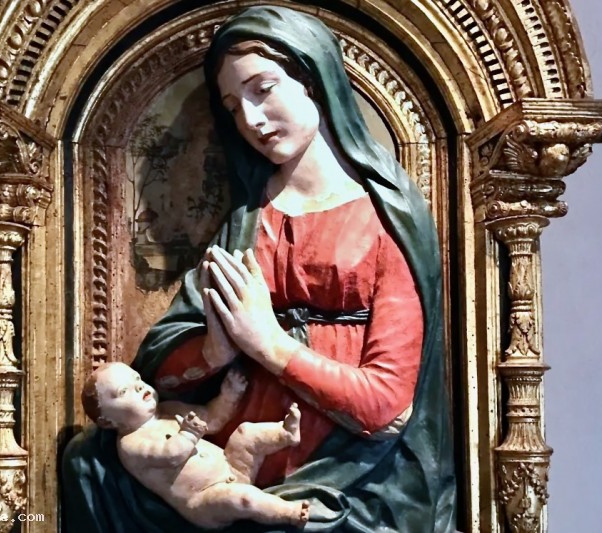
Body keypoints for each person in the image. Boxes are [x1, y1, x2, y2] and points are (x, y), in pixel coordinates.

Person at [63, 6, 456, 532]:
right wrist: (214, 351)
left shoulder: (389, 219)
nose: (250, 119)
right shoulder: (248, 221)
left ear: (313, 80)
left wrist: (268, 343)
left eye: (263, 89)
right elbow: (164, 358)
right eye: (232, 107)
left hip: (353, 465)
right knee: (89, 463)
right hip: (231, 456)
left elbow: (387, 402)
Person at [81, 362, 310, 529]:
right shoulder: (130, 445)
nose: (139, 387)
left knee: (245, 433)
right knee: (242, 499)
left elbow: (211, 419)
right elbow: (171, 455)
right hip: (204, 500)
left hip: (231, 466)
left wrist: (228, 396)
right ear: (107, 421)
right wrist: (188, 434)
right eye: (123, 392)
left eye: (137, 379)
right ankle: (289, 513)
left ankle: (285, 433)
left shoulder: (168, 409)